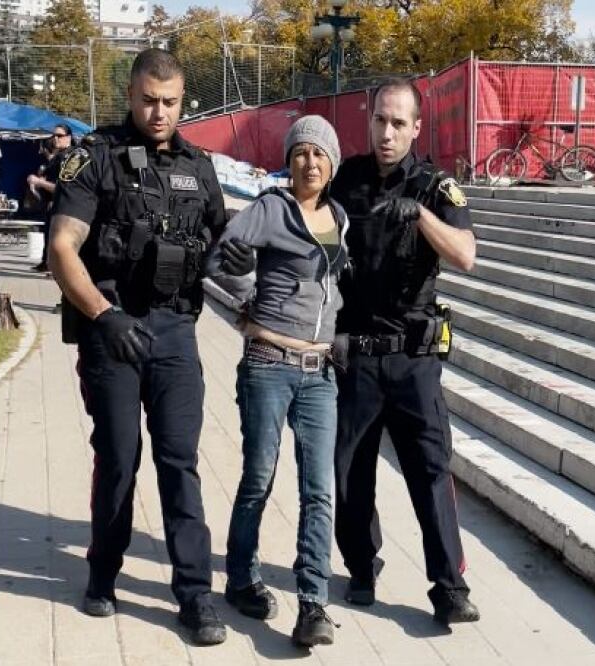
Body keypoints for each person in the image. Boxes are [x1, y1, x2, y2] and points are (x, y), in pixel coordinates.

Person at [48, 48, 227, 646]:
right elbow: (62, 250)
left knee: (180, 462)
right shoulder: (92, 158)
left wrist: (237, 260)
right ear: (130, 95)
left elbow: (220, 244)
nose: (158, 112)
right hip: (115, 331)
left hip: (176, 332)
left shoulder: (200, 166)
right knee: (120, 458)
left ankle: (196, 595)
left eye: (170, 102)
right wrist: (103, 315)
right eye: (148, 100)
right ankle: (102, 573)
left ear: (182, 101)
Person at [329, 78, 481, 625]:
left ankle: (449, 587)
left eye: (398, 123)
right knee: (349, 471)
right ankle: (361, 568)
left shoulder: (436, 187)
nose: (387, 132)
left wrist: (421, 218)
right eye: (379, 121)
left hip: (414, 360)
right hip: (356, 355)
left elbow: (466, 255)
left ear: (417, 128)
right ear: (368, 122)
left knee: (430, 472)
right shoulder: (347, 178)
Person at [206, 115, 349, 648]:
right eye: (300, 153)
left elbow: (334, 288)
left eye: (319, 154)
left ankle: (314, 604)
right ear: (288, 161)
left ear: (331, 163)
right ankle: (242, 577)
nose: (309, 163)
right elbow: (219, 257)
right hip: (268, 362)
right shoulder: (270, 207)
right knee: (259, 478)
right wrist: (247, 287)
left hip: (320, 374)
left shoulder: (338, 216)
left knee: (319, 491)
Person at [28, 124, 73, 271]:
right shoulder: (57, 157)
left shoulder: (68, 158)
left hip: (63, 207)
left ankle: (57, 269)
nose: (55, 138)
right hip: (52, 204)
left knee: (59, 240)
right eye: (53, 135)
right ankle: (47, 264)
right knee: (49, 236)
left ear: (68, 138)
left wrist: (39, 181)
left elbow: (62, 187)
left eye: (59, 136)